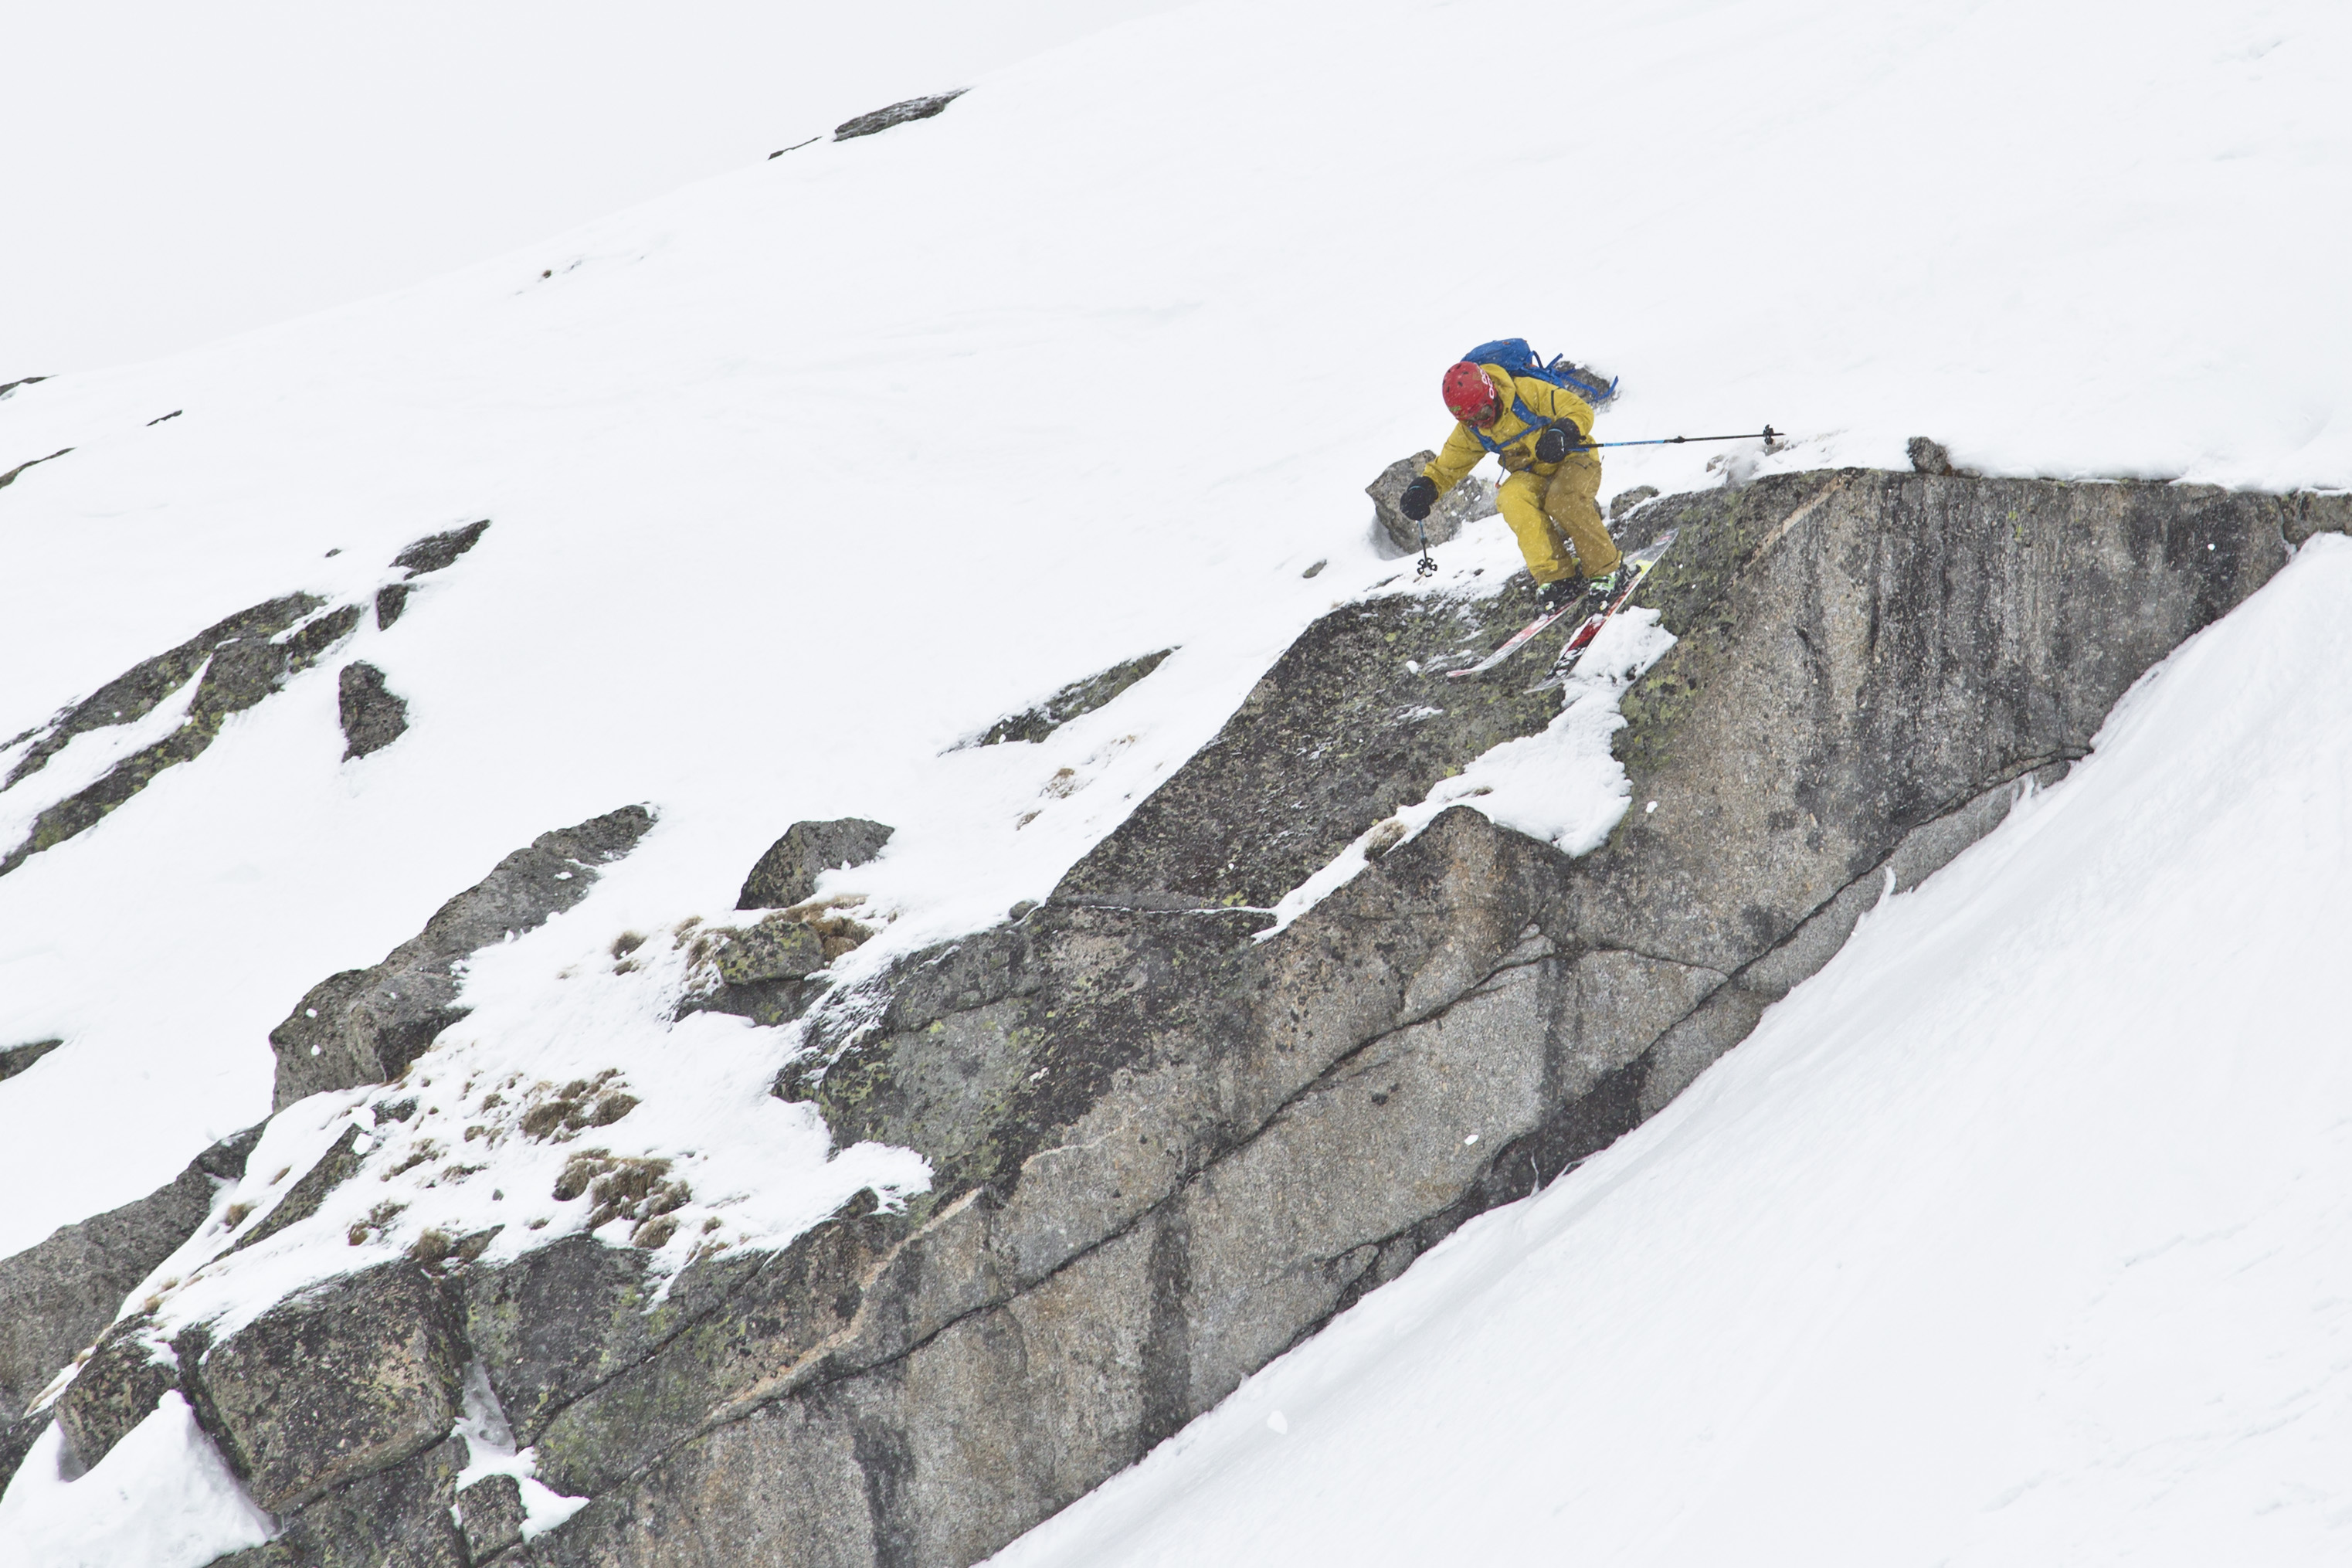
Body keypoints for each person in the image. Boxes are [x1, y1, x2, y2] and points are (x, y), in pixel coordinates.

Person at [1398, 356, 1623, 606]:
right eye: (1471, 421)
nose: (1481, 423)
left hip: (1575, 458)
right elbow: (1447, 467)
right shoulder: (1473, 428)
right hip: (1533, 473)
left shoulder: (1525, 391)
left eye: (1483, 413)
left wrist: (1562, 431)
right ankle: (1558, 578)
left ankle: (1607, 570)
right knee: (1511, 497)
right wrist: (1425, 487)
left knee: (1562, 500)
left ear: (1491, 392)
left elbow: (1578, 409)